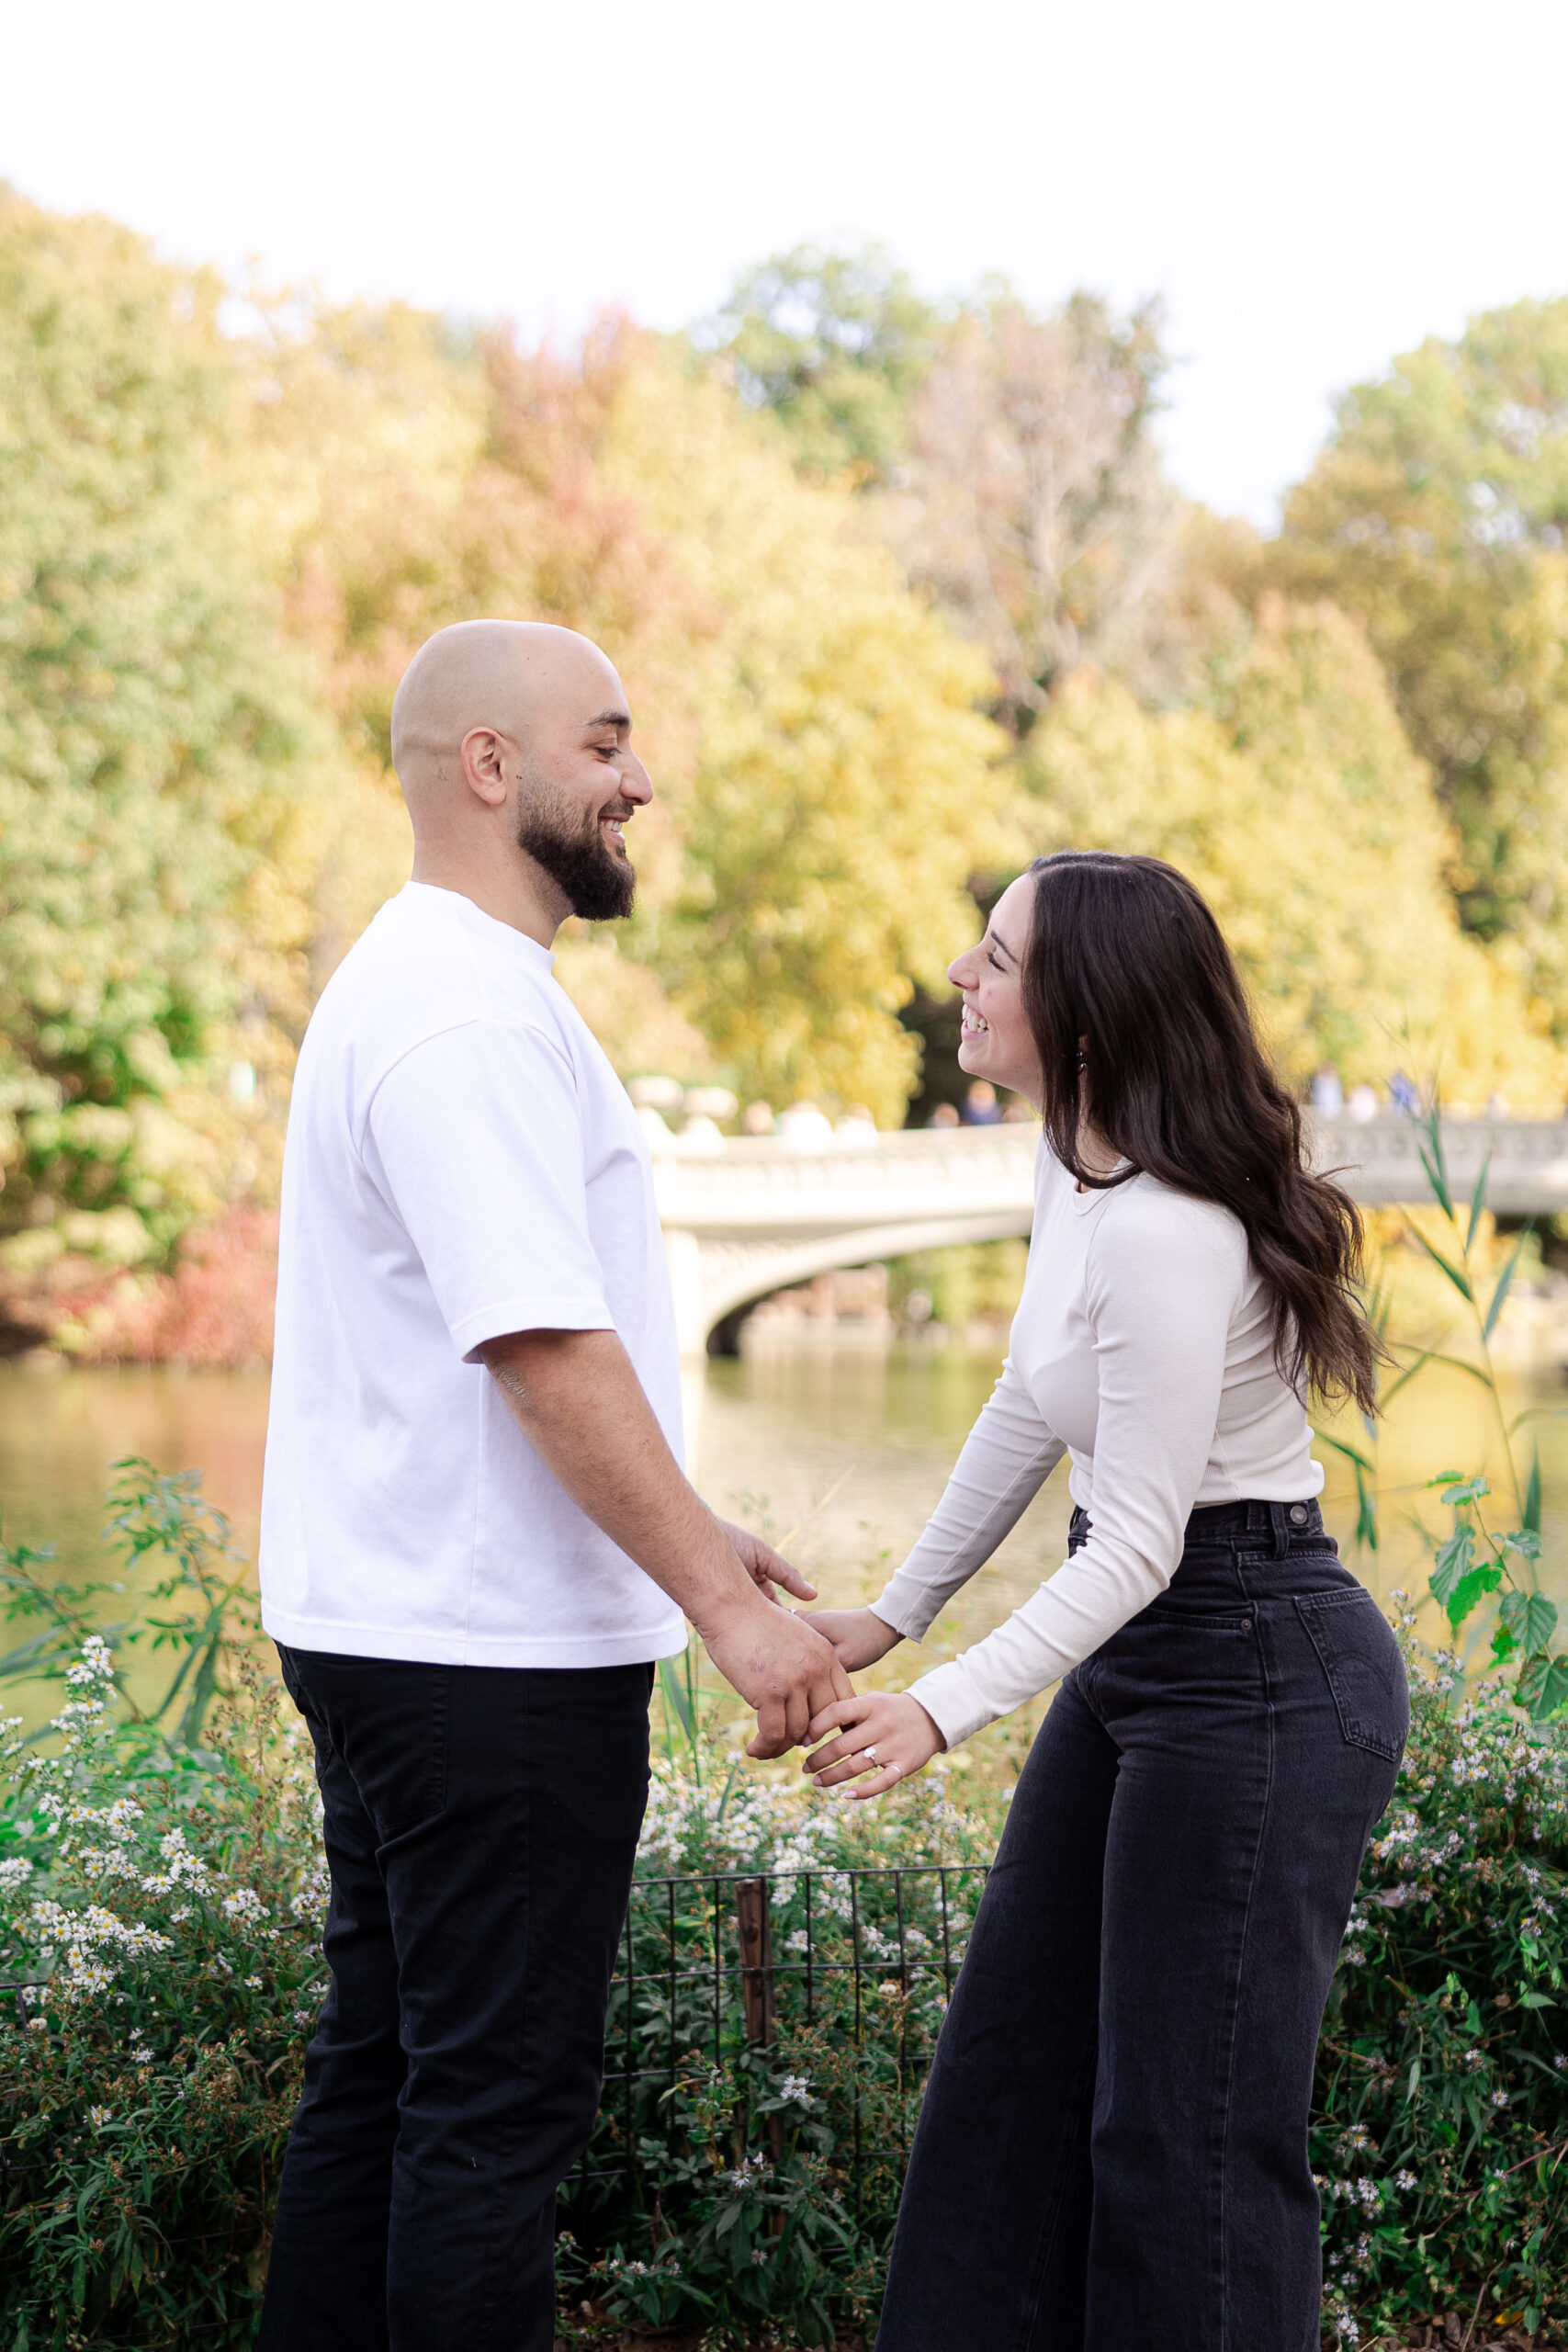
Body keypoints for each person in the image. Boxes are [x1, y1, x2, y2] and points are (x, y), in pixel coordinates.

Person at [256, 619, 847, 2352]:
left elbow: (512, 1341)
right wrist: (724, 1609)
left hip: (403, 1628)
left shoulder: (430, 983)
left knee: (384, 2079)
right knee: (491, 2117)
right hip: (485, 1666)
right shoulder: (460, 1009)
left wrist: (692, 1526)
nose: (639, 779)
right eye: (606, 743)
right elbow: (541, 1345)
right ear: (489, 765)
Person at [801, 850, 1406, 2352]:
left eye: (995, 957)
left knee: (1185, 2150)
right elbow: (1028, 1398)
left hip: (1258, 1664)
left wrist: (937, 1709)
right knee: (1006, 2088)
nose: (961, 976)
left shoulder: (1161, 1231)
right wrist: (892, 1615)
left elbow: (1134, 1544)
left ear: (1083, 1013)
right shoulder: (1074, 1173)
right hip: (1154, 1656)